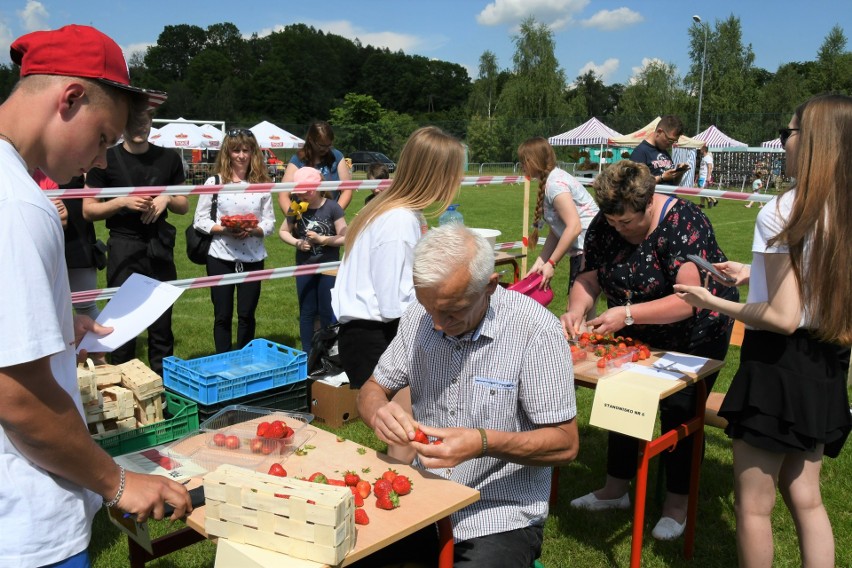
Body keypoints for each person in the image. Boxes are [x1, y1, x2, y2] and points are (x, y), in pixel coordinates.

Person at [0, 24, 191, 567]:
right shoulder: (19, 204)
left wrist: (58, 322)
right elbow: (17, 397)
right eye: (104, 137)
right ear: (71, 99)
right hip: (25, 522)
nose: (103, 161)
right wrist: (118, 482)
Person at [674, 94, 852, 567]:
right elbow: (818, 283)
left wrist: (711, 301)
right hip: (828, 365)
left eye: (786, 134)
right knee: (807, 497)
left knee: (753, 506)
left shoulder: (783, 210)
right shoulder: (844, 209)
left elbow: (782, 317)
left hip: (778, 365)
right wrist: (753, 274)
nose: (783, 144)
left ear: (813, 142)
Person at [357, 224, 579, 567]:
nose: (436, 324)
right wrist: (377, 413)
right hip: (422, 495)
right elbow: (373, 388)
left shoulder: (536, 331)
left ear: (489, 286)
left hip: (498, 513)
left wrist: (482, 443)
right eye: (429, 307)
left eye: (452, 312)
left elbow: (566, 443)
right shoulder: (421, 315)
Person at [561, 159, 738, 541]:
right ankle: (615, 489)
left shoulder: (684, 223)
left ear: (650, 202)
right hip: (637, 326)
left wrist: (625, 313)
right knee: (622, 394)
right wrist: (577, 309)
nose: (619, 229)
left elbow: (690, 300)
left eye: (627, 222)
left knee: (680, 409)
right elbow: (588, 278)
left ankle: (676, 505)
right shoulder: (604, 226)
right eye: (612, 222)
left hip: (697, 331)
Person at [83, 110, 188, 375]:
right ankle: (121, 388)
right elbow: (88, 210)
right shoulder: (107, 158)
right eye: (133, 121)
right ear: (123, 124)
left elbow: (184, 205)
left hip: (159, 246)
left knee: (162, 325)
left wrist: (166, 197)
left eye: (145, 120)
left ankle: (162, 391)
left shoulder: (169, 158)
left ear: (152, 121)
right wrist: (122, 201)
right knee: (122, 324)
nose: (140, 126)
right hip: (124, 247)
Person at [192, 128, 276, 354]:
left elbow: (270, 223)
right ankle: (223, 358)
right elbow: (199, 220)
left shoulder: (262, 183)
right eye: (235, 150)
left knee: (247, 314)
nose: (241, 155)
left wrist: (253, 229)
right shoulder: (214, 181)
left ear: (253, 153)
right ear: (227, 153)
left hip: (253, 257)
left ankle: (245, 357)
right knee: (222, 314)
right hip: (220, 256)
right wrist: (225, 229)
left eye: (246, 150)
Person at [279, 166, 346, 358]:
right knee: (307, 310)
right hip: (305, 266)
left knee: (327, 310)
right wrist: (298, 243)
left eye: (305, 194)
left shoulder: (332, 207)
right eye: (298, 194)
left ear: (316, 189)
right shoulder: (296, 207)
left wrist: (323, 240)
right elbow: (283, 231)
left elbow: (346, 236)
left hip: (329, 268)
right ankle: (306, 353)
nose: (301, 198)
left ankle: (326, 352)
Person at [517, 137, 599, 290]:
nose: (521, 165)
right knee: (582, 311)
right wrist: (540, 263)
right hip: (586, 249)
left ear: (534, 161)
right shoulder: (551, 180)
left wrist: (551, 263)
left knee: (575, 310)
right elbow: (556, 232)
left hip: (590, 249)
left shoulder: (555, 185)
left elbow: (574, 227)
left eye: (524, 161)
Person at [278, 121, 352, 215]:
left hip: (330, 219)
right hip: (303, 220)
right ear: (311, 140)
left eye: (328, 145)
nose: (325, 149)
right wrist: (294, 220)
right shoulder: (298, 159)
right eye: (321, 145)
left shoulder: (337, 156)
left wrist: (334, 215)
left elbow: (347, 190)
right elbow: (283, 195)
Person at [630, 115, 690, 186]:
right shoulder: (640, 152)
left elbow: (674, 184)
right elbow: (635, 185)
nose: (670, 145)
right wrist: (661, 178)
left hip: (670, 196)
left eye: (674, 141)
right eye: (670, 140)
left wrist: (679, 173)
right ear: (659, 132)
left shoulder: (664, 151)